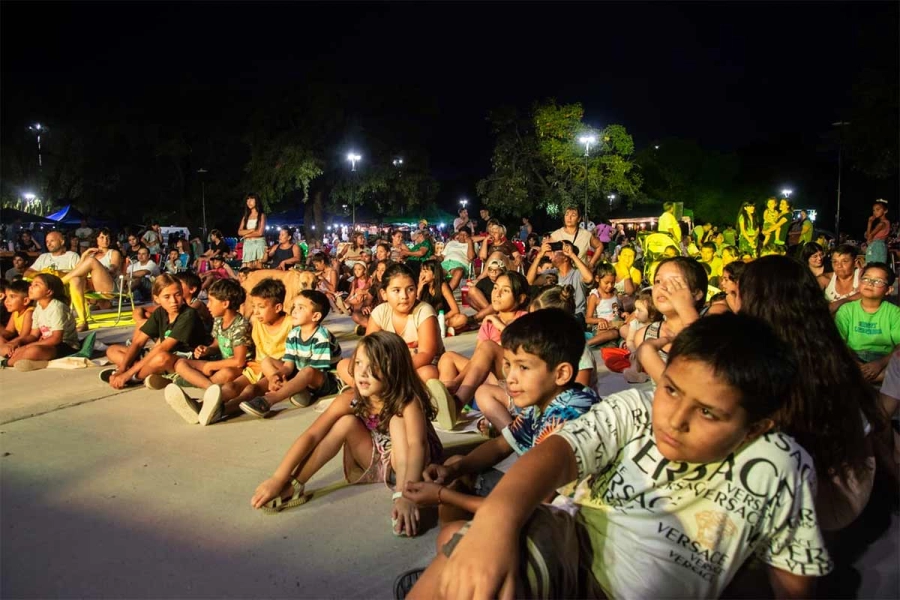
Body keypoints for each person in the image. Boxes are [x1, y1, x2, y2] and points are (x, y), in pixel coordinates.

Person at [409, 314, 832, 600]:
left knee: (460, 543)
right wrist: (494, 525)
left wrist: (458, 503)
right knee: (468, 556)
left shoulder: (779, 465)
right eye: (670, 389)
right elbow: (555, 455)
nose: (675, 419)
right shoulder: (636, 406)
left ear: (756, 426)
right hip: (573, 543)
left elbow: (792, 581)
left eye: (707, 412)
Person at [409, 309, 598, 526]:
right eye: (508, 365)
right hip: (534, 496)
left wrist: (443, 495)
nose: (510, 378)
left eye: (523, 367)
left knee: (450, 532)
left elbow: (533, 505)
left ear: (561, 374)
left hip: (559, 520)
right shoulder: (545, 400)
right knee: (455, 466)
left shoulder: (568, 418)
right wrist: (452, 470)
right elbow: (502, 445)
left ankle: (460, 543)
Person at [736, 256, 883, 531]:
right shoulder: (827, 346)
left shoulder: (769, 362)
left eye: (737, 293)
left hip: (825, 502)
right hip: (851, 486)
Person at [250, 331, 443, 539]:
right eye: (359, 363)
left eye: (374, 366)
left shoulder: (407, 400)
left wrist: (406, 497)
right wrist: (279, 478)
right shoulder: (351, 398)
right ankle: (295, 485)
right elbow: (312, 435)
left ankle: (404, 492)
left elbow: (417, 446)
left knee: (396, 421)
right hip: (379, 457)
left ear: (395, 370)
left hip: (416, 465)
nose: (363, 372)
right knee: (345, 422)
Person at [235, 290, 342, 419]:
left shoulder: (321, 336)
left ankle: (269, 400)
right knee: (266, 361)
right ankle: (294, 390)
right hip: (302, 373)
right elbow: (288, 366)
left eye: (301, 308)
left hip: (325, 381)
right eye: (294, 306)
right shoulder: (294, 333)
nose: (294, 311)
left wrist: (291, 380)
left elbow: (315, 370)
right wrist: (276, 375)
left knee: (307, 371)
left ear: (315, 316)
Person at [436, 272, 531, 416]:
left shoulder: (524, 319)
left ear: (521, 298)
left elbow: (522, 351)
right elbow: (476, 360)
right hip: (488, 377)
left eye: (505, 291)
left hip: (511, 375)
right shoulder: (489, 321)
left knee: (488, 346)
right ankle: (445, 405)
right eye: (495, 288)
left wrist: (499, 326)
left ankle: (457, 403)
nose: (497, 294)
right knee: (448, 357)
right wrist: (458, 380)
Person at [337, 263, 443, 386]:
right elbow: (367, 347)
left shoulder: (424, 311)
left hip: (414, 366)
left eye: (410, 289)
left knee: (428, 373)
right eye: (396, 290)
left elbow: (426, 354)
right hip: (387, 366)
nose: (404, 296)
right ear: (384, 294)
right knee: (343, 365)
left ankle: (377, 390)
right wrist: (358, 361)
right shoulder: (380, 311)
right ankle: (375, 389)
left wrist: (392, 372)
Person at [163, 279, 252, 424]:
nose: (208, 305)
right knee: (181, 363)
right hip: (219, 361)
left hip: (239, 368)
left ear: (225, 303)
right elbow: (217, 343)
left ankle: (195, 386)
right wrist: (208, 349)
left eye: (211, 301)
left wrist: (210, 366)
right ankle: (211, 389)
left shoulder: (240, 326)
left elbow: (239, 361)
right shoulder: (219, 320)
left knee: (227, 373)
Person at [210, 278, 294, 414]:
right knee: (231, 387)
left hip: (278, 370)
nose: (256, 312)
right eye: (254, 306)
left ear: (278, 307)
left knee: (251, 390)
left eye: (261, 307)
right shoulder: (257, 323)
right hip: (258, 366)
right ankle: (201, 406)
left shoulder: (290, 324)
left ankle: (221, 411)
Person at [635, 256, 707, 383]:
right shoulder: (644, 336)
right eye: (658, 281)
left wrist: (685, 307)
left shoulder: (715, 330)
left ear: (697, 293)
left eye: (675, 282)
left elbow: (705, 362)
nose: (662, 287)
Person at [835, 262, 899, 383]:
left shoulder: (894, 313)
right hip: (852, 356)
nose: (870, 283)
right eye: (866, 278)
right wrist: (855, 363)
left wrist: (879, 364)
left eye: (878, 281)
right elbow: (838, 341)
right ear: (859, 283)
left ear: (888, 289)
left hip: (884, 359)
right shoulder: (846, 310)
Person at [5, 274, 80, 371]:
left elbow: (56, 339)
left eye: (36, 285)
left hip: (65, 345)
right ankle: (37, 362)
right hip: (46, 343)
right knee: (14, 348)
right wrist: (18, 342)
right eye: (31, 284)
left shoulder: (57, 308)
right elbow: (33, 335)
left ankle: (7, 362)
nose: (30, 287)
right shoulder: (38, 308)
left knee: (33, 351)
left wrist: (27, 347)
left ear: (48, 292)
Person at [526, 239, 594, 328]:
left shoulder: (577, 274)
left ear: (565, 257)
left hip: (575, 318)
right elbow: (529, 281)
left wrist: (572, 255)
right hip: (555, 318)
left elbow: (589, 278)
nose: (550, 257)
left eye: (554, 253)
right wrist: (539, 256)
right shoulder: (551, 273)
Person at [417, 259, 467, 334]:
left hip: (443, 319)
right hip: (426, 320)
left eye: (425, 271)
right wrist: (419, 291)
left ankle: (443, 329)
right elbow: (414, 309)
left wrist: (440, 318)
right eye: (421, 271)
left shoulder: (442, 286)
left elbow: (455, 310)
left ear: (434, 275)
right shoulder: (420, 286)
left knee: (462, 318)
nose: (422, 274)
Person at [819, 243, 860, 314]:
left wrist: (839, 302)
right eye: (835, 262)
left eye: (844, 261)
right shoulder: (825, 279)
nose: (839, 265)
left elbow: (869, 293)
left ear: (855, 262)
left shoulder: (862, 276)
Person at [0, 279, 35, 360]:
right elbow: (9, 331)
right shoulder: (15, 312)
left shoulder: (29, 313)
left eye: (12, 296)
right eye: (7, 296)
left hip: (25, 343)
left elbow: (24, 336)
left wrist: (9, 344)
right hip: (16, 342)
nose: (6, 301)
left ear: (25, 301)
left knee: (5, 349)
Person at [238, 193, 267, 270]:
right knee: (246, 268)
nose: (249, 202)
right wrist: (251, 230)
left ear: (256, 201)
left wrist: (247, 235)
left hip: (258, 243)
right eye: (247, 199)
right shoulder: (246, 216)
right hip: (247, 244)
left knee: (258, 267)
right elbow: (240, 232)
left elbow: (260, 233)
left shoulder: (261, 215)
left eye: (251, 199)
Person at [864, 199, 890, 264]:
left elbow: (868, 236)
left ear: (885, 211)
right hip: (879, 246)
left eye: (878, 209)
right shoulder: (885, 223)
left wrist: (869, 222)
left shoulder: (882, 224)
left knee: (873, 266)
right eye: (874, 210)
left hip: (876, 247)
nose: (875, 212)